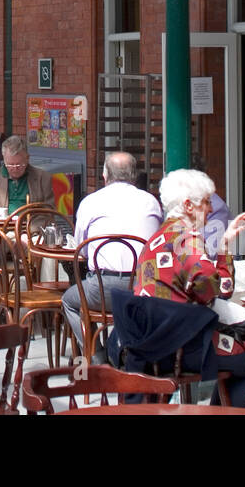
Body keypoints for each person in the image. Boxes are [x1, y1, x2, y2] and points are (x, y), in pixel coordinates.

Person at [132, 168, 245, 407]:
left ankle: (217, 410)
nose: (211, 209)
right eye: (207, 202)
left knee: (241, 357)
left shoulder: (158, 236)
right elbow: (220, 288)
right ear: (189, 206)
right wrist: (224, 249)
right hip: (180, 346)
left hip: (149, 340)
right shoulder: (187, 240)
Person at [61, 152, 162, 359]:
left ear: (104, 176)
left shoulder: (91, 202)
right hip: (144, 288)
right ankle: (122, 350)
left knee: (68, 301)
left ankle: (96, 354)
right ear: (134, 177)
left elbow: (82, 248)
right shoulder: (151, 202)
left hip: (103, 289)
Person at [0, 137, 54, 216]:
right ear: (4, 159)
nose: (15, 169)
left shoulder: (42, 178)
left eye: (19, 164)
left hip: (30, 228)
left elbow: (49, 212)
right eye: (10, 165)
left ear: (27, 158)